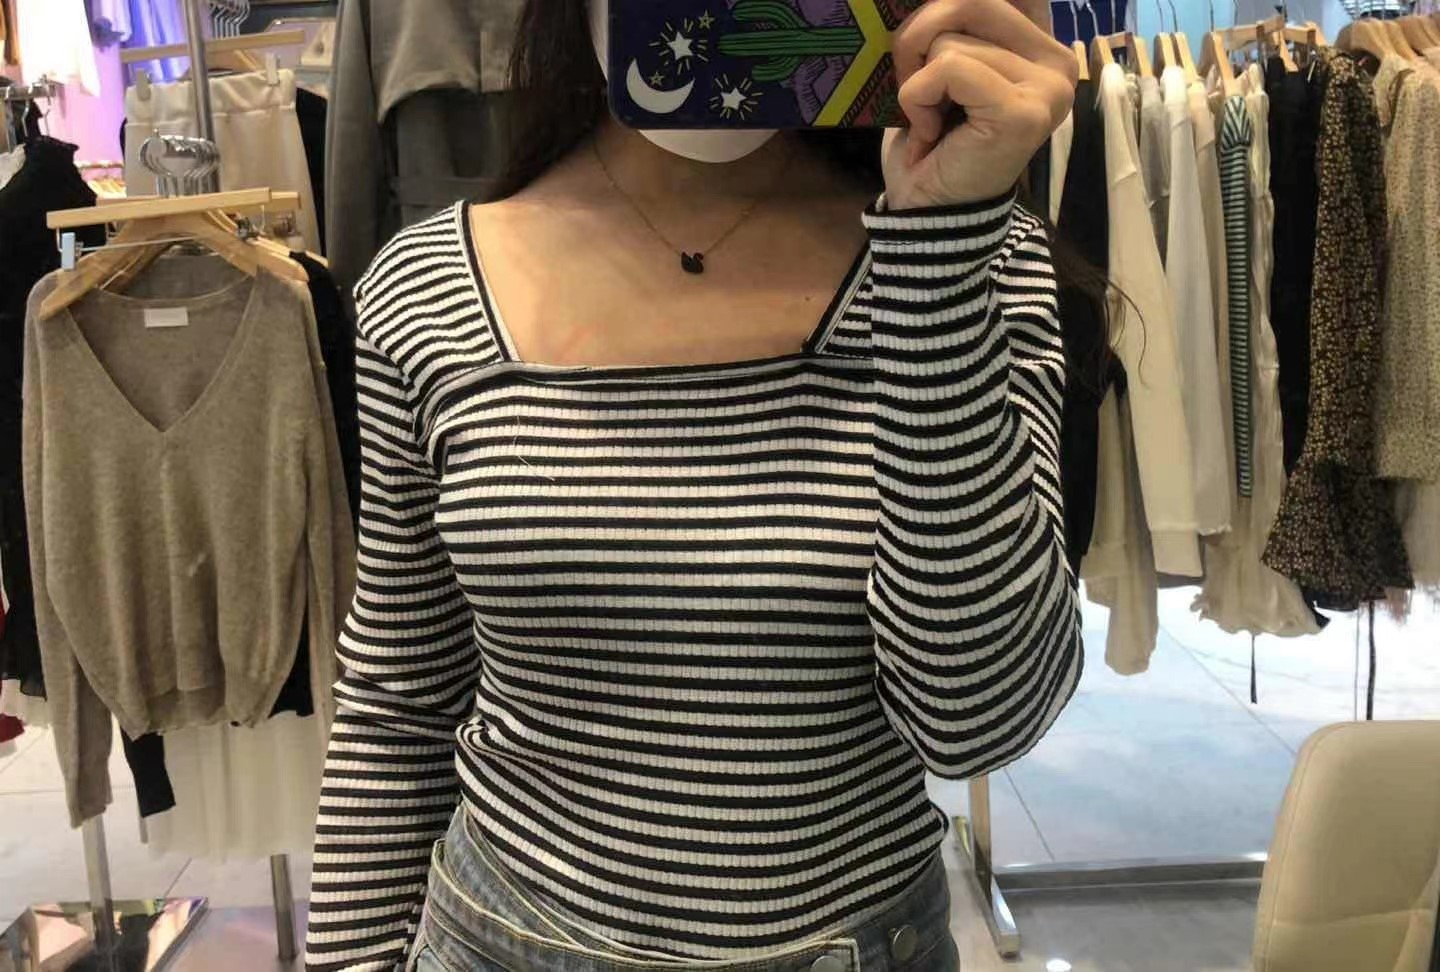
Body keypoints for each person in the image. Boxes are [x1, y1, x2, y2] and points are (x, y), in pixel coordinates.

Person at [304, 0, 1084, 969]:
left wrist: (936, 257)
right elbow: (397, 702)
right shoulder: (425, 289)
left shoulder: (963, 252)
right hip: (503, 936)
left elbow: (979, 719)